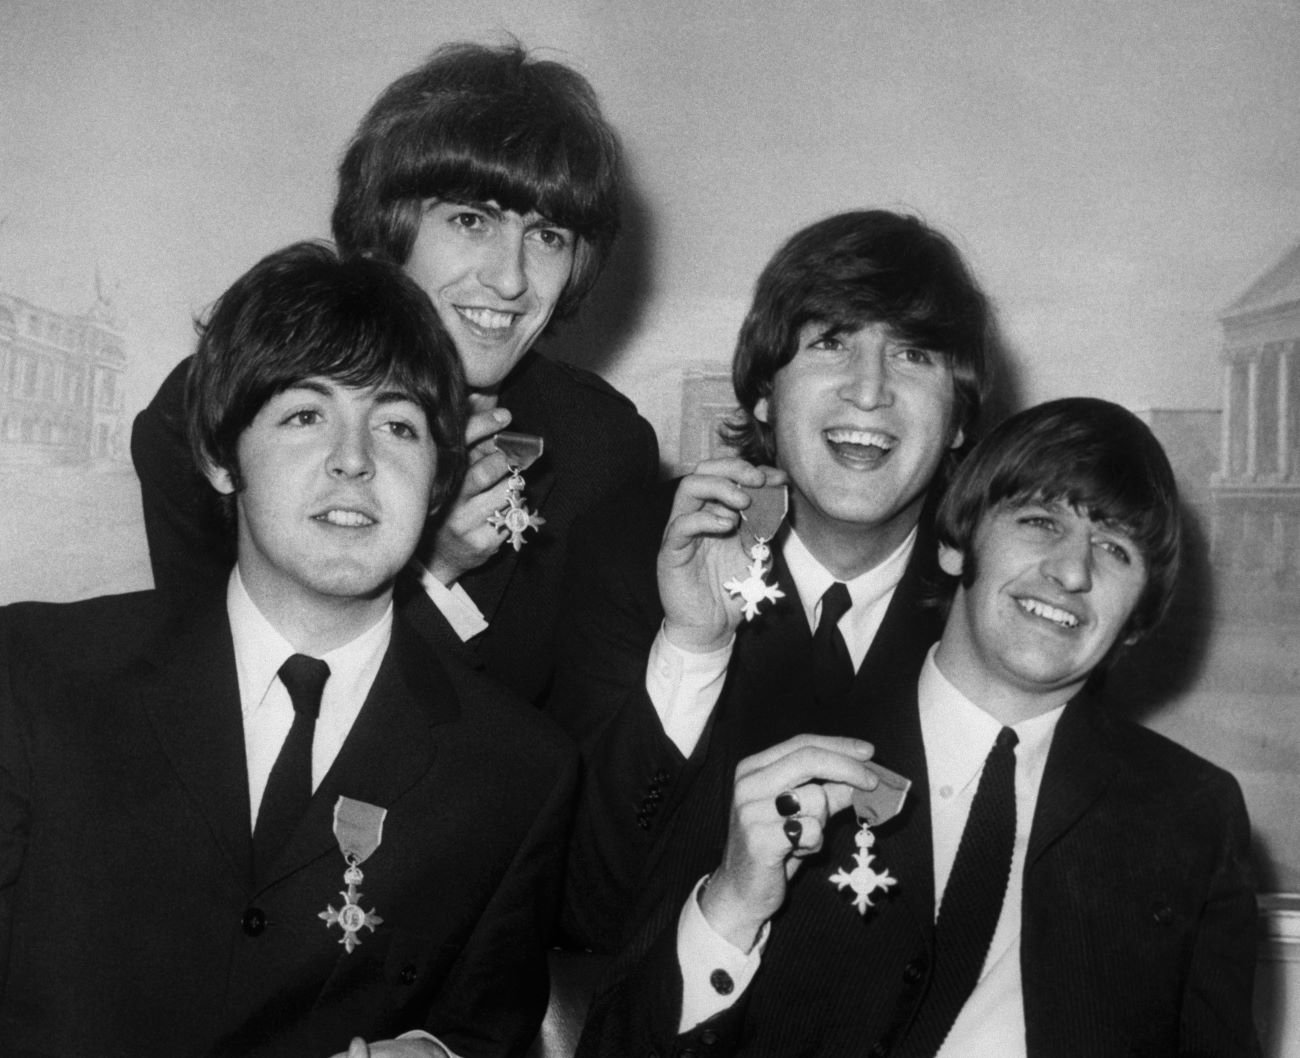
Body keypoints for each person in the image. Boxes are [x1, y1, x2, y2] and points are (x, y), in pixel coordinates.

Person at [0, 243, 576, 1057]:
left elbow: (487, 1030)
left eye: (399, 426)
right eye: (306, 416)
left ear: (442, 478)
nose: (355, 459)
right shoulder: (36, 676)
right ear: (219, 456)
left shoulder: (519, 773)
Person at [578, 398, 1259, 1057]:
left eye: (1116, 549)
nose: (1073, 571)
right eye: (1040, 523)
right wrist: (729, 911)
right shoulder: (770, 746)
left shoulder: (1191, 818)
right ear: (957, 546)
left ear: (1137, 619)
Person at [132, 41, 659, 705]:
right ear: (389, 226)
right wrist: (428, 569)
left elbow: (574, 763)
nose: (510, 278)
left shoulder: (602, 449)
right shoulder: (216, 410)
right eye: (472, 220)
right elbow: (223, 720)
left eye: (548, 236)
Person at [547, 209, 993, 952]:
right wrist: (692, 650)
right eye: (830, 343)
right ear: (761, 394)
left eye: (914, 355)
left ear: (957, 421)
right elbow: (583, 909)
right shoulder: (631, 551)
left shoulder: (994, 602)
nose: (869, 391)